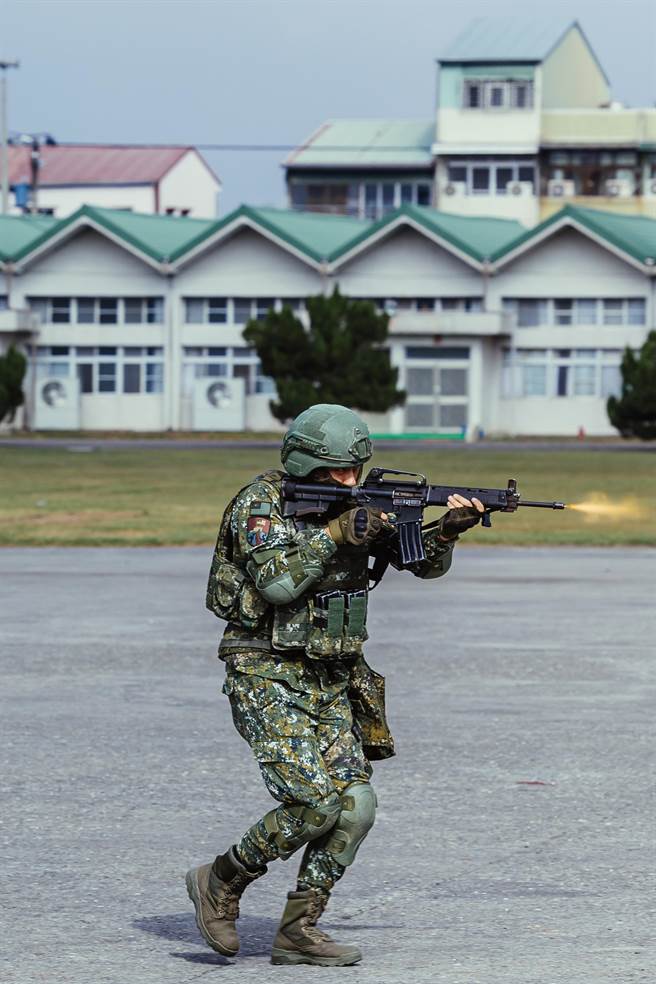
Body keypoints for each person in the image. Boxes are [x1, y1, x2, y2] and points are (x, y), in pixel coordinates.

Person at [186, 403, 484, 967]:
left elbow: (418, 563)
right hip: (265, 671)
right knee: (313, 805)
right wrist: (336, 533)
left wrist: (444, 531)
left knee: (356, 805)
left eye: (355, 470)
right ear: (304, 462)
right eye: (336, 472)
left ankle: (299, 931)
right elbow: (276, 584)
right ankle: (219, 880)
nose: (349, 482)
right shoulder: (260, 504)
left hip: (331, 675)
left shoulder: (360, 504)